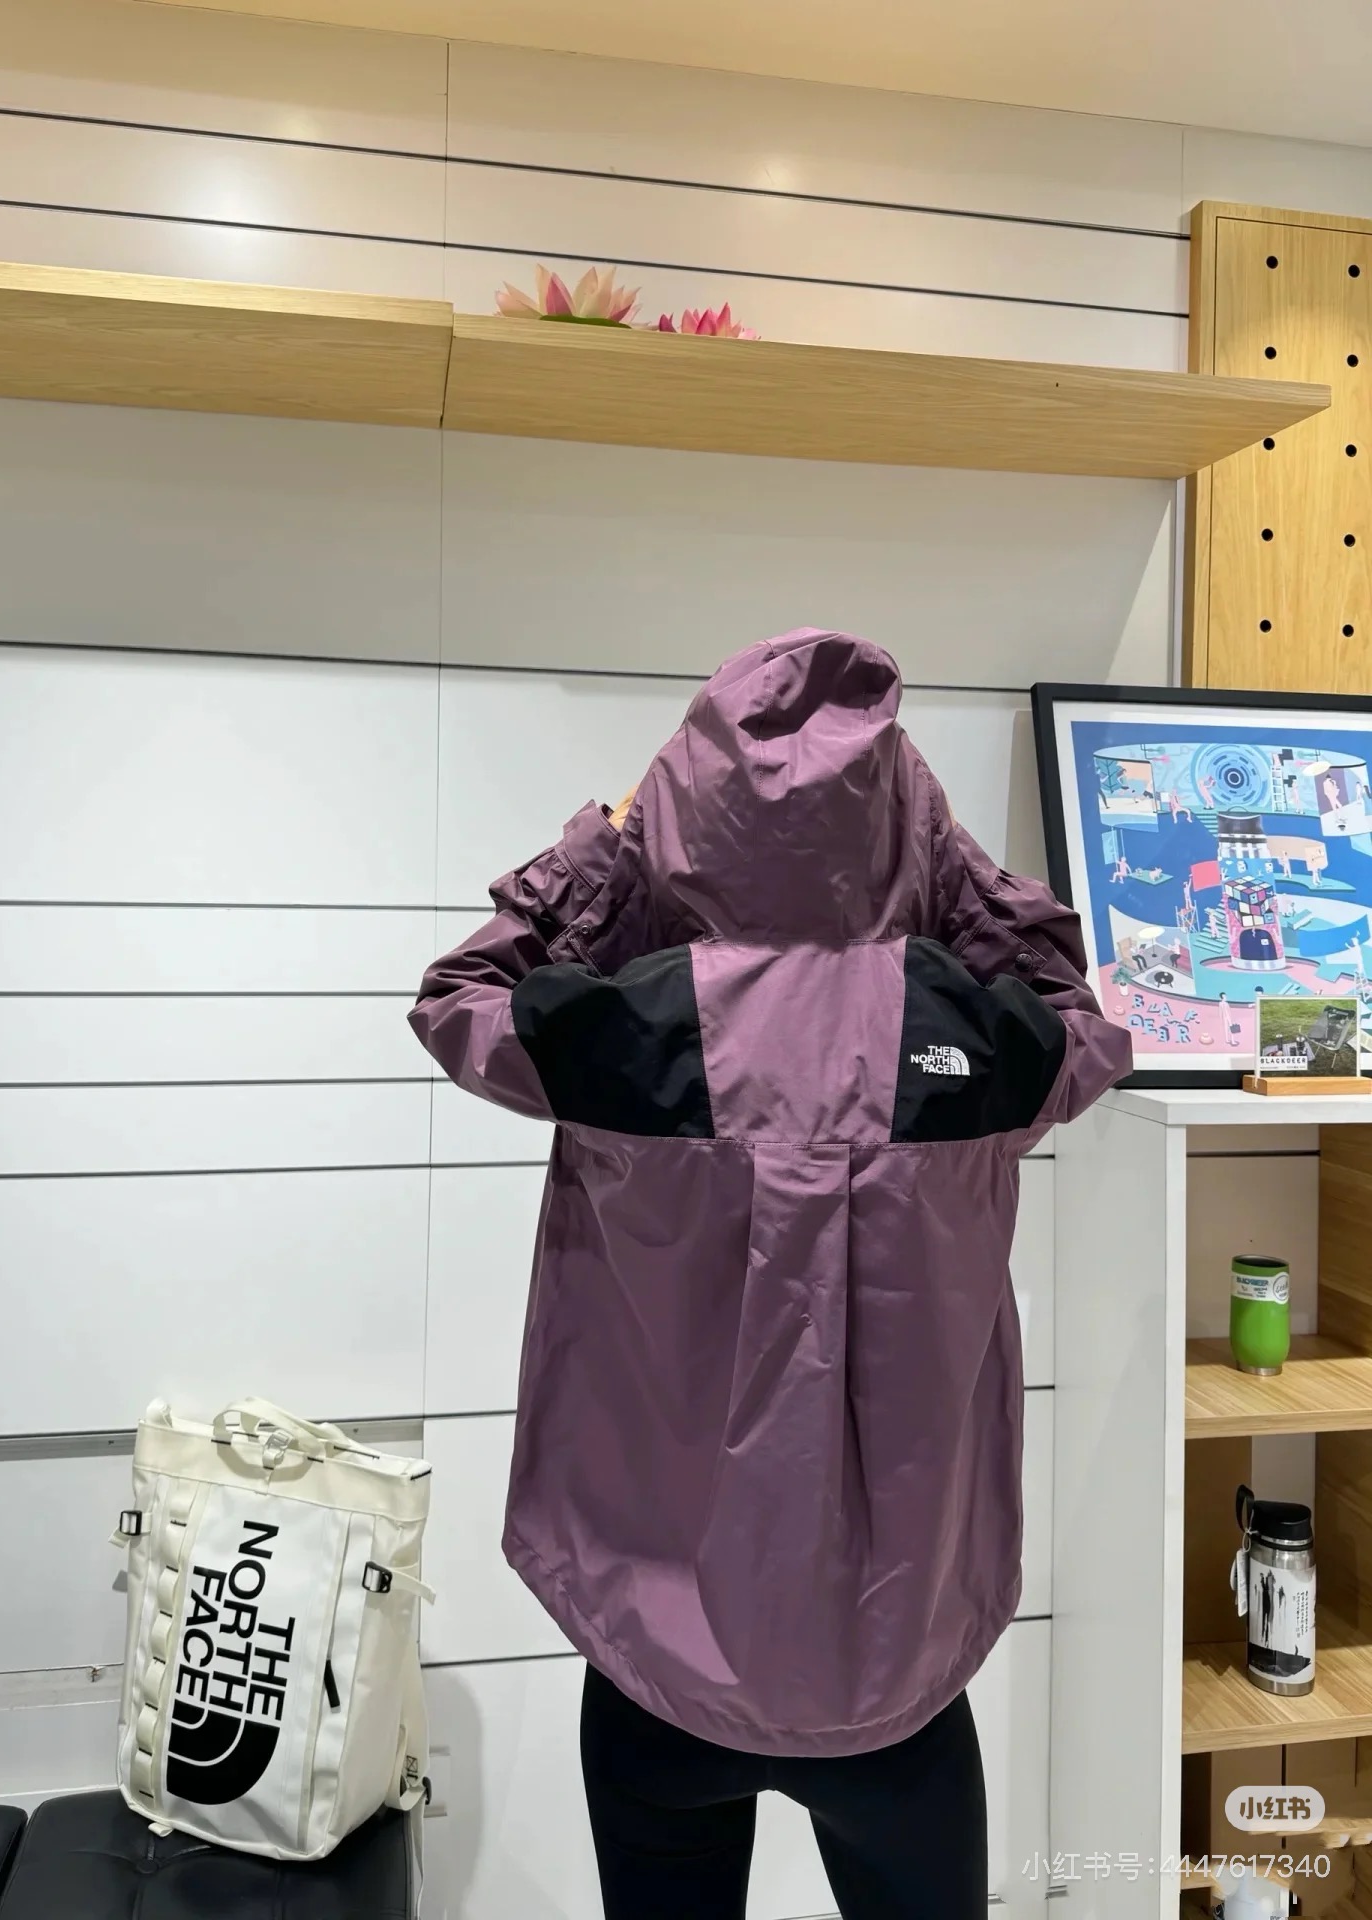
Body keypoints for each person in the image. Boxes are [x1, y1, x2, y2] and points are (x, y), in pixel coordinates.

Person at [410, 630, 1130, 1920]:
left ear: (682, 816)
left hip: (659, 1672)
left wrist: (611, 842)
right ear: (906, 823)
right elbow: (1082, 1011)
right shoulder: (982, 1041)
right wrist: (943, 860)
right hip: (896, 1677)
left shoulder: (622, 1031)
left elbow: (462, 993)